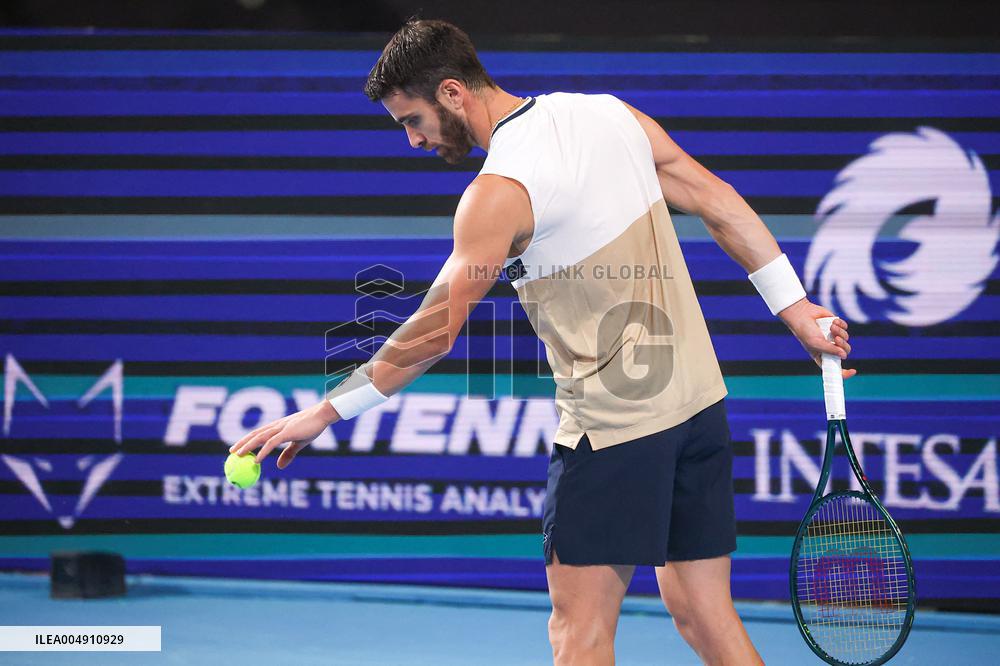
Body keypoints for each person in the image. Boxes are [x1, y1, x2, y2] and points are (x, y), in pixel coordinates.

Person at [230, 19, 855, 665]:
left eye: (411, 120)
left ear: (452, 93)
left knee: (577, 638)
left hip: (612, 434)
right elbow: (716, 198)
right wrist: (795, 308)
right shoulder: (609, 115)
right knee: (705, 616)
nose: (414, 141)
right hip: (699, 409)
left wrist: (327, 411)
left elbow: (435, 331)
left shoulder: (497, 193)